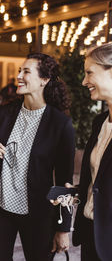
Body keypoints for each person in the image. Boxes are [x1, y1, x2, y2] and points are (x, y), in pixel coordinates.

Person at [0, 53, 75, 261]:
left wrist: (63, 228)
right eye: (19, 71)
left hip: (39, 213)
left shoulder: (60, 124)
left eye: (26, 71)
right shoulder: (5, 112)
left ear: (44, 80)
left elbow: (64, 181)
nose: (19, 76)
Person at [67, 42, 112, 261]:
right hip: (92, 237)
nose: (84, 81)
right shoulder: (100, 122)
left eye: (89, 73)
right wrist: (77, 192)